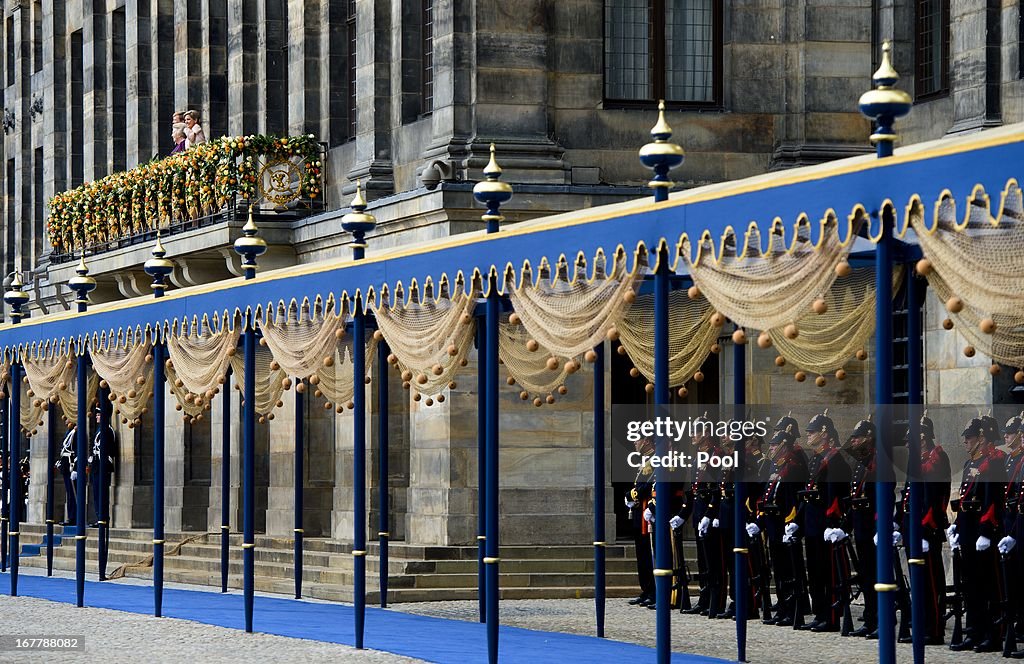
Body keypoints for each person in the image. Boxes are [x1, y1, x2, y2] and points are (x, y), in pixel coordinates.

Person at [947, 415, 1007, 652]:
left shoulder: (995, 462)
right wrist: (958, 526)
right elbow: (964, 499)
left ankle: (991, 634)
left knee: (987, 584)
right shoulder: (969, 464)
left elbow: (993, 499)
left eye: (969, 438)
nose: (965, 442)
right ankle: (973, 631)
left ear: (981, 438)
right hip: (969, 528)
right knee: (970, 584)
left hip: (985, 532)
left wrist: (985, 530)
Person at [794, 410, 850, 633]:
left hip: (826, 526)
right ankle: (819, 612)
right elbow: (808, 492)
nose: (808, 434)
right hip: (812, 524)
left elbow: (836, 496)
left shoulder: (835, 460)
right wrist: (797, 520)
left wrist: (832, 523)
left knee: (829, 573)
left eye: (813, 431)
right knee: (815, 572)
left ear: (825, 434)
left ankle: (832, 615)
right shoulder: (817, 458)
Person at [758, 415, 809, 627]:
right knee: (778, 568)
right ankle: (783, 604)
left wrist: (792, 521)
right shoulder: (776, 466)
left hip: (784, 522)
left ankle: (793, 606)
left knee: (789, 568)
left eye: (774, 445)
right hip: (773, 521)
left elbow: (794, 497)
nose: (770, 448)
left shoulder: (794, 465)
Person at [844, 417, 880, 638]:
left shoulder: (878, 462)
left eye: (858, 437)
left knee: (875, 575)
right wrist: (845, 524)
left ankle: (877, 618)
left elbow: (882, 493)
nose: (854, 441)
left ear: (868, 438)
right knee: (866, 575)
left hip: (872, 526)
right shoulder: (862, 464)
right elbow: (854, 496)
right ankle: (870, 617)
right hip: (861, 525)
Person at [625, 438, 655, 608]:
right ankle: (646, 589)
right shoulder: (644, 460)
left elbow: (648, 486)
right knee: (641, 555)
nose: (635, 442)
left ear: (647, 441)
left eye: (638, 439)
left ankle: (652, 591)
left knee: (648, 554)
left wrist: (632, 495)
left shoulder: (655, 458)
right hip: (639, 511)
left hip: (647, 510)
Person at [88, 406, 115, 528]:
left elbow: (110, 449)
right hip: (96, 465)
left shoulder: (108, 430)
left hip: (102, 465)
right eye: (97, 415)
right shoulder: (100, 430)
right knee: (97, 493)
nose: (97, 417)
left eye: (99, 415)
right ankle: (99, 518)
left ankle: (103, 519)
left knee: (102, 494)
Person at [56, 423, 77, 526]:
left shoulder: (76, 433)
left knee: (73, 493)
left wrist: (76, 469)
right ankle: (71, 516)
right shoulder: (69, 432)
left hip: (71, 466)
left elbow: (77, 452)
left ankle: (73, 517)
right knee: (69, 493)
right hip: (66, 465)